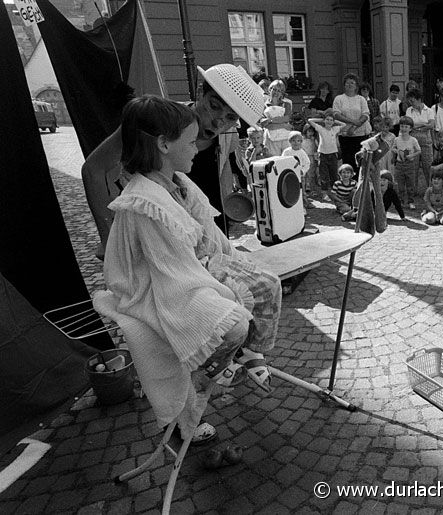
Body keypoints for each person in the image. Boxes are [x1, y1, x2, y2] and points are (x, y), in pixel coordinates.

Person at [95, 95, 281, 442]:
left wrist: (231, 261)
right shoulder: (145, 202)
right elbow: (170, 268)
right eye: (190, 141)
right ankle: (208, 375)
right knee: (233, 322)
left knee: (267, 284)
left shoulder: (178, 182)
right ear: (164, 144)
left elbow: (207, 231)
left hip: (194, 267)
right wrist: (217, 283)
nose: (197, 147)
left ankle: (246, 355)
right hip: (164, 285)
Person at [82, 64, 264, 253]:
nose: (219, 121)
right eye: (214, 106)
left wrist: (224, 227)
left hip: (202, 235)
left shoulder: (230, 136)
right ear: (201, 92)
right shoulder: (158, 120)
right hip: (156, 236)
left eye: (230, 117)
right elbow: (92, 169)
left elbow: (222, 174)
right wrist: (108, 238)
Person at [333, 73, 372, 172]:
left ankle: (359, 183)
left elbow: (365, 114)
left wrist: (354, 127)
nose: (349, 85)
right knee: (347, 160)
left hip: (359, 134)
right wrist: (352, 121)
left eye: (352, 83)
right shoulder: (339, 99)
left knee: (360, 161)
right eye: (347, 83)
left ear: (356, 86)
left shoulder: (361, 99)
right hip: (345, 134)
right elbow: (336, 114)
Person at [405, 89, 436, 198]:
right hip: (412, 141)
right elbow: (408, 124)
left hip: (426, 141)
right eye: (410, 101)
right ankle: (413, 190)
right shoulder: (409, 110)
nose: (411, 103)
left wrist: (417, 127)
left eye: (413, 101)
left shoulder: (429, 110)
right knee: (414, 166)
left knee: (428, 166)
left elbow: (431, 125)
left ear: (419, 99)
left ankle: (431, 189)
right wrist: (423, 126)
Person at [307, 109, 346, 192]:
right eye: (327, 119)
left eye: (331, 120)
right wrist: (322, 120)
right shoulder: (321, 129)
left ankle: (334, 191)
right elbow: (310, 120)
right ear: (324, 120)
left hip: (333, 154)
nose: (329, 121)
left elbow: (344, 124)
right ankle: (324, 192)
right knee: (323, 174)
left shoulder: (335, 129)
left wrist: (335, 121)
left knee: (334, 174)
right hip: (323, 154)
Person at [391, 115, 422, 209]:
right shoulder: (397, 139)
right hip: (399, 164)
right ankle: (400, 200)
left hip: (409, 164)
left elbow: (419, 150)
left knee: (410, 184)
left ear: (410, 128)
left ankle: (411, 201)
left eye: (406, 127)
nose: (403, 129)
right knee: (400, 185)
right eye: (402, 126)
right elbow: (393, 148)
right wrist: (396, 151)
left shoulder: (413, 140)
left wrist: (411, 156)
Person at [262, 79, 294, 157]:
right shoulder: (264, 105)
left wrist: (270, 120)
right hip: (270, 139)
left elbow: (286, 118)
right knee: (273, 161)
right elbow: (265, 124)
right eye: (274, 89)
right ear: (270, 90)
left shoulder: (287, 104)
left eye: (279, 91)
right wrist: (283, 125)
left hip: (285, 138)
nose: (276, 92)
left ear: (282, 93)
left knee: (286, 160)